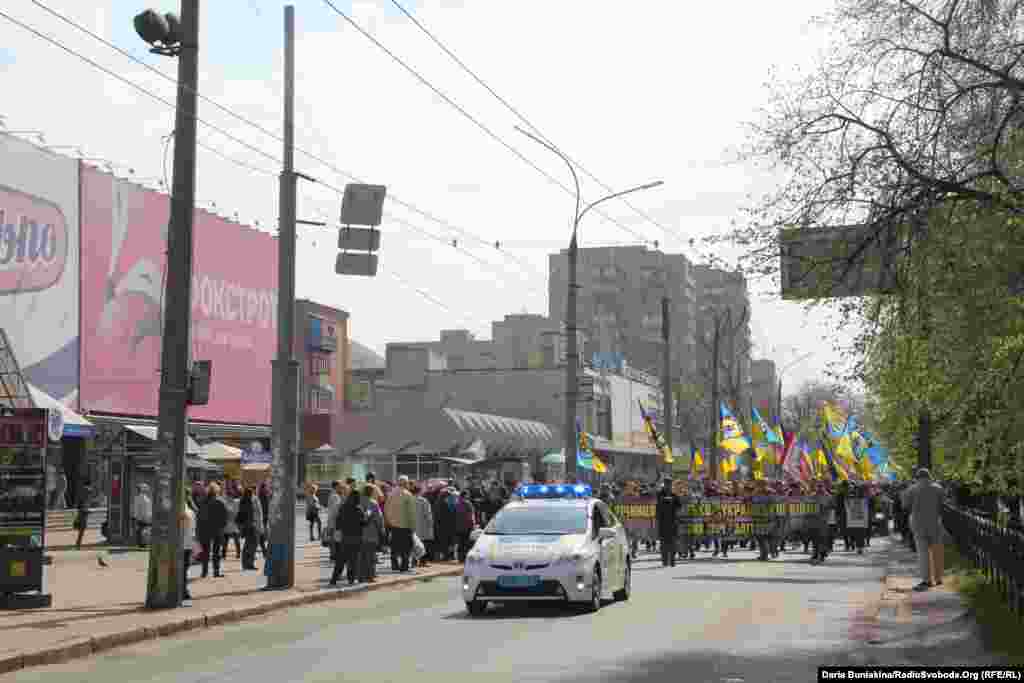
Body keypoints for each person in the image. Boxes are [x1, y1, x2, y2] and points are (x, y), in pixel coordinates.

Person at [903, 468, 945, 591]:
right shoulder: (938, 488)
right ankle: (938, 578)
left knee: (923, 553)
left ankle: (926, 580)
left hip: (918, 523)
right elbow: (943, 504)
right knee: (937, 550)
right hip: (934, 522)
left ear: (917, 477)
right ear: (929, 476)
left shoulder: (912, 489)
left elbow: (905, 505)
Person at [330, 489, 366, 586]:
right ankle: (351, 579)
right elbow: (363, 523)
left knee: (341, 560)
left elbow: (338, 521)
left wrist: (338, 531)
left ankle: (333, 579)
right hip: (356, 537)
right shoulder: (358, 509)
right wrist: (368, 516)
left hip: (345, 537)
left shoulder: (343, 507)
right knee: (353, 560)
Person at [385, 476, 417, 572]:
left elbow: (386, 509)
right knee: (406, 547)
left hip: (393, 525)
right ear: (406, 483)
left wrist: (389, 521)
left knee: (394, 546)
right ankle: (404, 566)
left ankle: (394, 565)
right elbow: (411, 512)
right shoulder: (408, 495)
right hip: (405, 525)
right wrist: (413, 526)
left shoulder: (391, 494)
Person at [197, 482, 229, 578]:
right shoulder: (220, 502)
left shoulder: (203, 502)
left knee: (205, 552)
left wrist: (199, 529)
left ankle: (204, 571)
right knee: (216, 552)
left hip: (204, 529)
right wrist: (222, 527)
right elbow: (225, 517)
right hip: (217, 530)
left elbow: (199, 516)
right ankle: (216, 571)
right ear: (217, 491)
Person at [359, 484, 384, 582]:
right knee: (370, 556)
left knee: (361, 556)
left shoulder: (358, 501)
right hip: (371, 533)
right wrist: (381, 530)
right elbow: (379, 519)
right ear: (371, 492)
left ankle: (360, 576)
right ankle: (370, 576)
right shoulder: (373, 503)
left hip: (359, 533)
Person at [655, 478, 681, 567]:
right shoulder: (659, 494)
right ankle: (665, 561)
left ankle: (673, 561)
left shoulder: (674, 495)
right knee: (664, 543)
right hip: (663, 522)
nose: (668, 486)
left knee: (673, 543)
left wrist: (673, 499)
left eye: (669, 484)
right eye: (667, 484)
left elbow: (679, 505)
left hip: (673, 522)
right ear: (664, 484)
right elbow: (657, 505)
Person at [236, 487, 263, 571]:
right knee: (252, 545)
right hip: (251, 526)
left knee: (248, 545)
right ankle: (249, 564)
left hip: (247, 526)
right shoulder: (249, 501)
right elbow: (255, 514)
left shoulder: (243, 501)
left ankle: (246, 564)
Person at [412, 484, 434, 568]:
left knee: (414, 544)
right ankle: (423, 562)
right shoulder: (423, 501)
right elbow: (428, 514)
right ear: (419, 491)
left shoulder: (409, 499)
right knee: (424, 544)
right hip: (423, 526)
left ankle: (413, 561)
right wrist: (431, 523)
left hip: (413, 526)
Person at [180, 491, 196, 601]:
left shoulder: (187, 511)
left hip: (185, 544)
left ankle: (183, 591)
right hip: (186, 545)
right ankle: (184, 591)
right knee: (183, 570)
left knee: (183, 569)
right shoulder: (189, 511)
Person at [132, 484, 152, 548]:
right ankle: (143, 543)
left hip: (141, 517)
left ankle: (142, 543)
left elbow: (136, 508)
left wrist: (135, 517)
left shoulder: (139, 497)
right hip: (145, 517)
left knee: (141, 530)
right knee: (143, 530)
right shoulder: (145, 498)